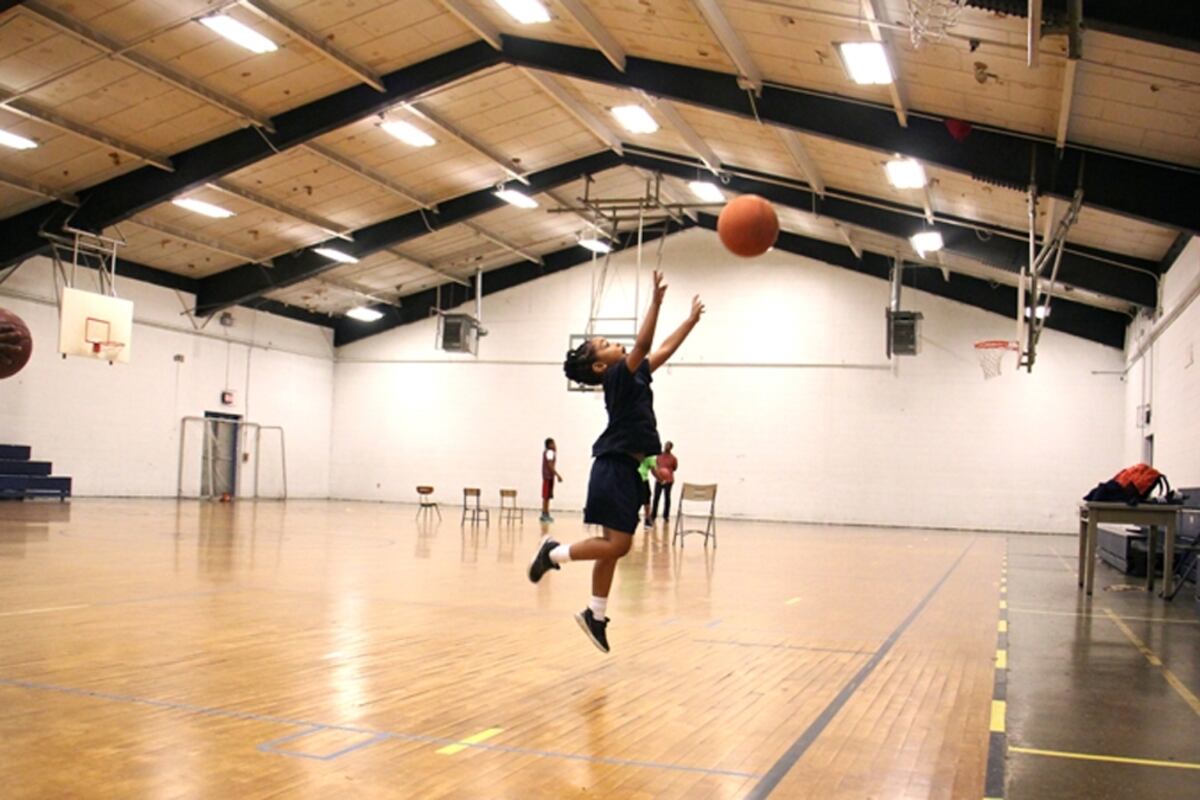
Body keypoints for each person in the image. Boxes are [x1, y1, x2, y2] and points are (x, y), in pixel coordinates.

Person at [528, 271, 704, 653]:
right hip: (613, 468)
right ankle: (553, 553)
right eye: (606, 344)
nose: (615, 343)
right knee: (617, 546)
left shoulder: (634, 375)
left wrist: (690, 321)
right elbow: (645, 343)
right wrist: (655, 302)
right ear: (599, 368)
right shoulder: (616, 378)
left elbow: (663, 348)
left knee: (611, 546)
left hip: (626, 468)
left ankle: (596, 614)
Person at [651, 441, 678, 523]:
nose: (666, 447)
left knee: (667, 497)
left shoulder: (673, 458)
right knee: (656, 497)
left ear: (671, 448)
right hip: (659, 480)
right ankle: (653, 515)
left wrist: (666, 473)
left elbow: (675, 468)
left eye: (668, 446)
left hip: (669, 481)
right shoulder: (659, 456)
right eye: (666, 445)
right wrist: (660, 475)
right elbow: (655, 466)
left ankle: (666, 516)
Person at [540, 438, 563, 522]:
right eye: (553, 443)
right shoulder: (550, 452)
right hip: (548, 477)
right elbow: (550, 465)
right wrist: (557, 475)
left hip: (548, 477)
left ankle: (545, 513)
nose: (555, 445)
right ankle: (544, 514)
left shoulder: (549, 452)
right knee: (546, 496)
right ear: (549, 445)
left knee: (547, 496)